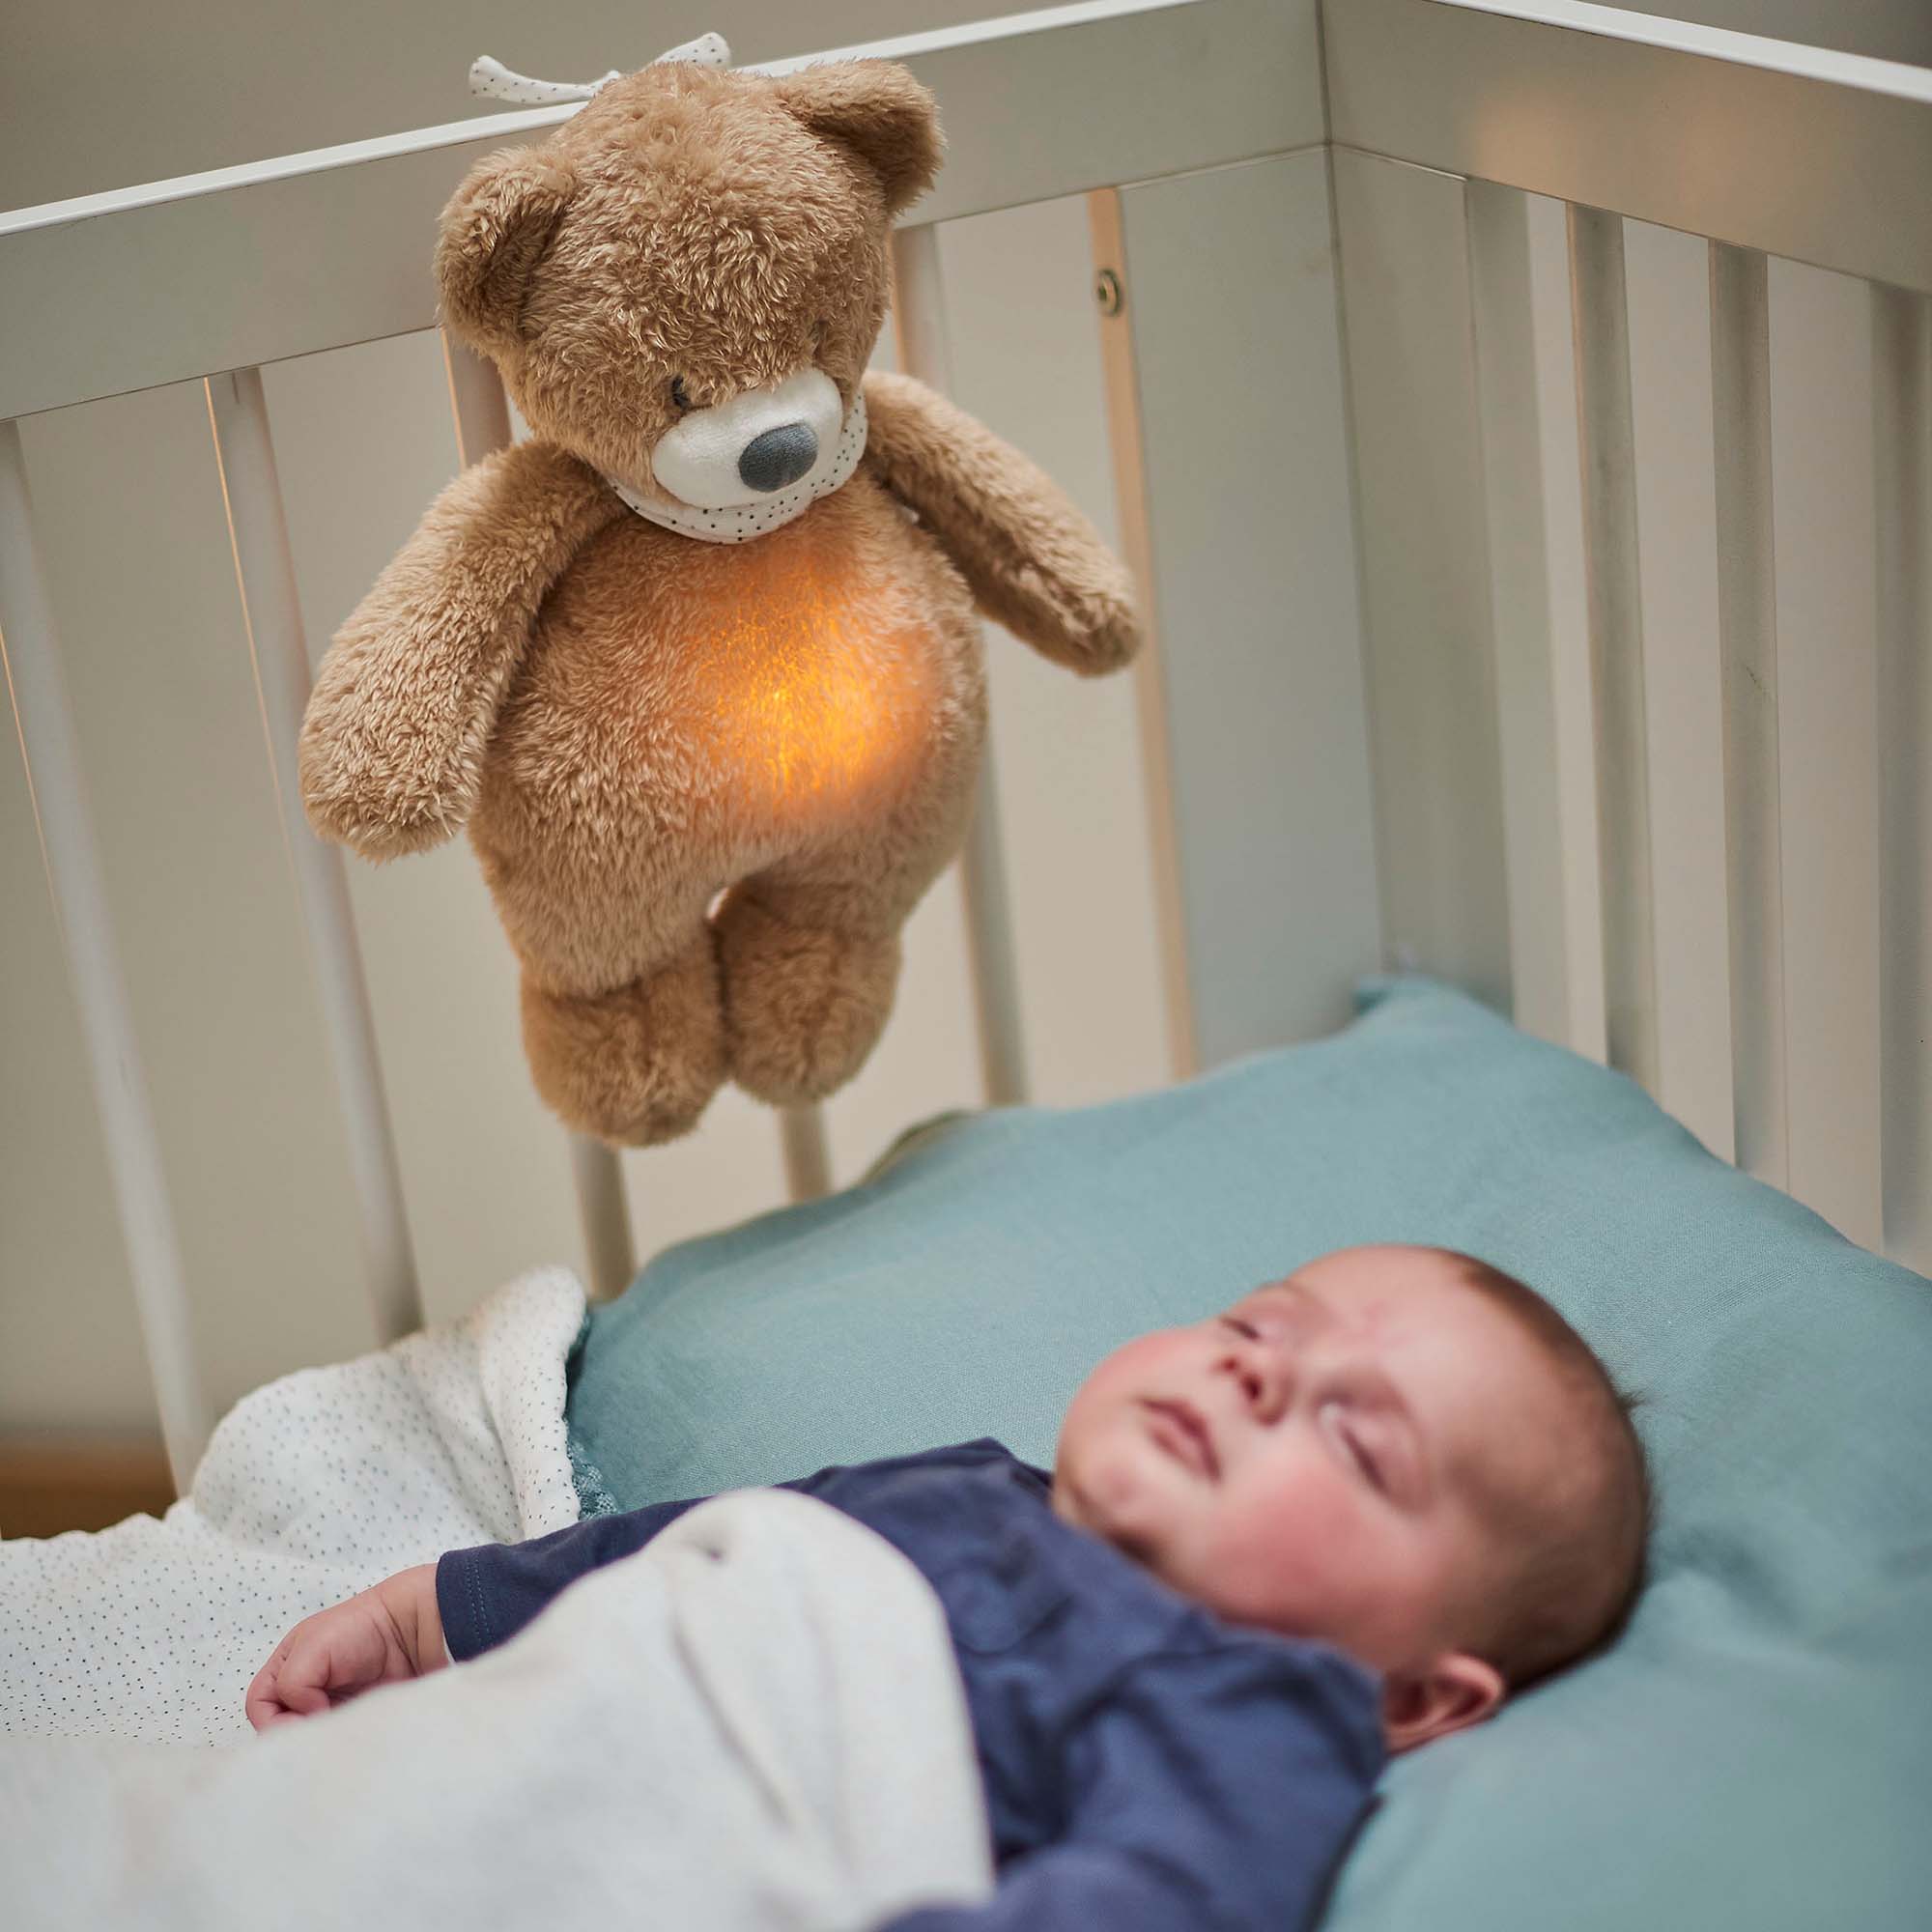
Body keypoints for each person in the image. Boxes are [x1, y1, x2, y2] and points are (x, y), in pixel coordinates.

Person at [246, 1243, 1651, 1930]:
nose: (1253, 1371)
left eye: (1351, 1432)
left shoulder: (1248, 1708)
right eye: (1252, 1326)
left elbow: (1154, 1901)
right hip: (493, 1785)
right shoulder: (967, 1485)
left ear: (1409, 1692)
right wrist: (431, 1612)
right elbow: (696, 1550)